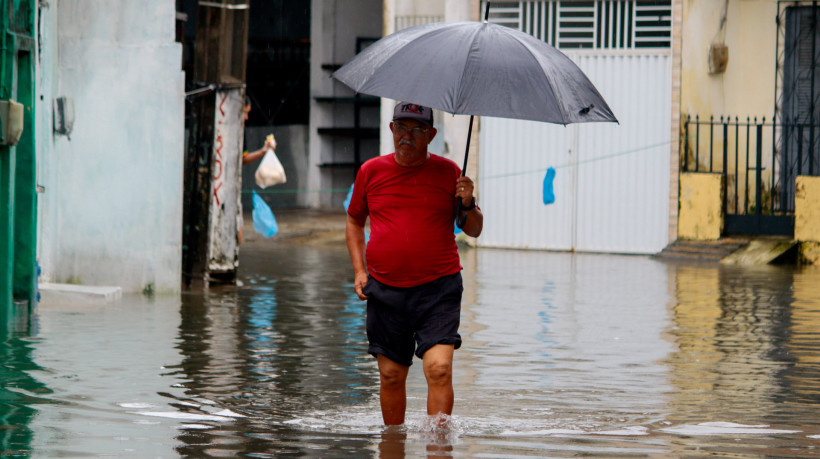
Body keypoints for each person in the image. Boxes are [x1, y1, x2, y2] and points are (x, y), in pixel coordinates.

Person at [345, 101, 483, 426]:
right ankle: (393, 443)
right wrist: (359, 271)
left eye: (418, 129)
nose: (408, 136)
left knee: (439, 368)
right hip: (385, 289)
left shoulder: (450, 172)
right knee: (391, 374)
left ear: (431, 134)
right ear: (391, 130)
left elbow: (474, 228)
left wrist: (468, 201)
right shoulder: (371, 171)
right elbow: (354, 222)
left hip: (439, 288)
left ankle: (439, 444)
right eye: (402, 128)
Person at [238, 96, 276, 244]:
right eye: (244, 113)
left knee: (238, 235)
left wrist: (263, 151)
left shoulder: (241, 131)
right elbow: (241, 161)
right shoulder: (234, 130)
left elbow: (241, 160)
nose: (246, 117)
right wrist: (263, 152)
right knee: (238, 235)